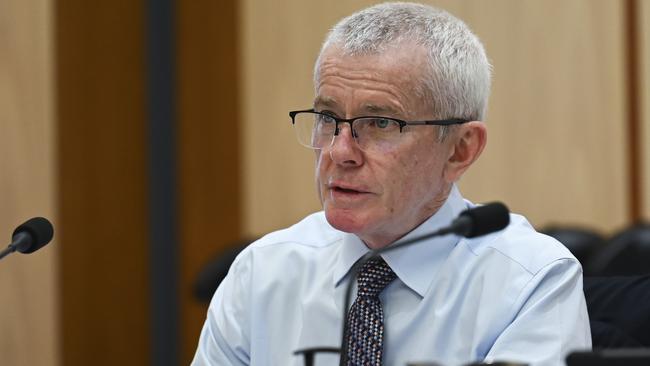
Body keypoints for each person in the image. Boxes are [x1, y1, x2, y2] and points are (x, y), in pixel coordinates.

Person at [193, 3, 591, 365]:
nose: (340, 151)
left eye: (381, 123)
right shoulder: (263, 272)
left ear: (460, 150)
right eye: (328, 117)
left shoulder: (531, 281)